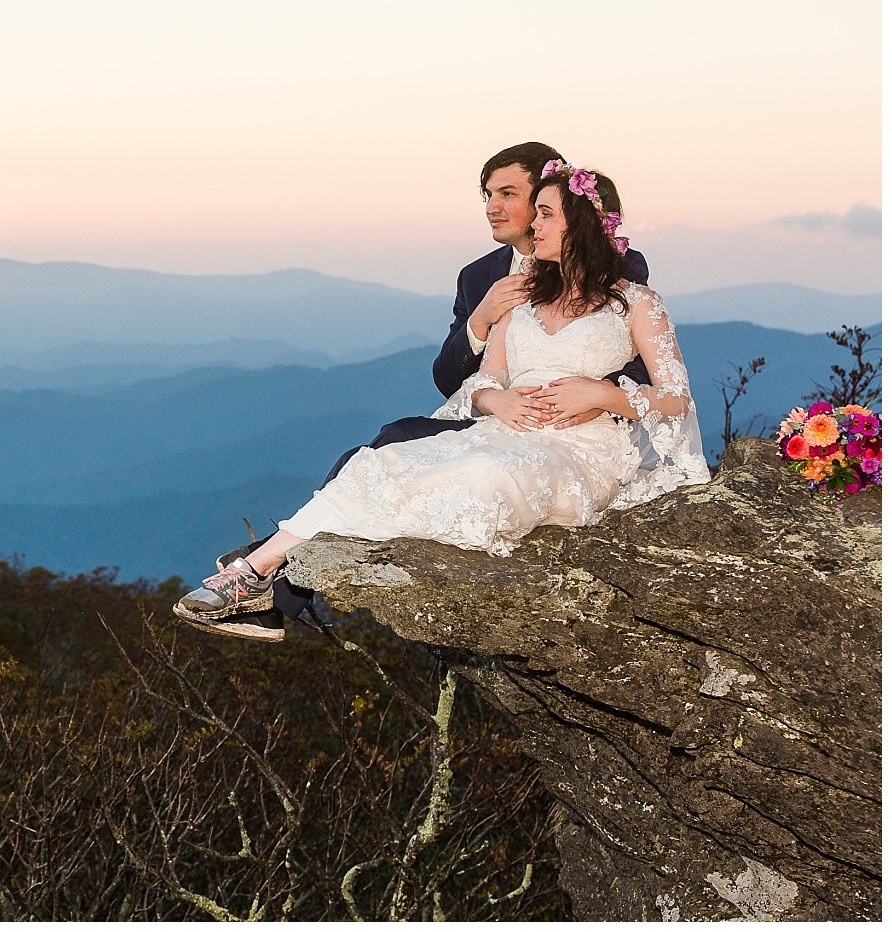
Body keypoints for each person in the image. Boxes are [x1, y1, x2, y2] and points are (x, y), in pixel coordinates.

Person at [172, 162, 708, 628]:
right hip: (501, 431)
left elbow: (676, 398)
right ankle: (253, 572)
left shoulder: (634, 301)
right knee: (371, 465)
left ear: (583, 223)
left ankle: (271, 575)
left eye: (545, 213)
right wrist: (496, 401)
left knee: (483, 477)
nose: (533, 224)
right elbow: (483, 380)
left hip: (578, 448)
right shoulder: (520, 298)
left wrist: (601, 393)